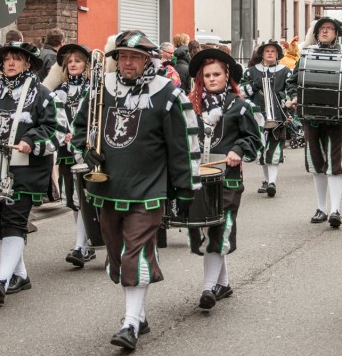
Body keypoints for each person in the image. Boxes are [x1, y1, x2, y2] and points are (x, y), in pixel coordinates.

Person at [72, 30, 199, 351]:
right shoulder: (102, 89)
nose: (128, 63)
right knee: (116, 257)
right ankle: (138, 315)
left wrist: (185, 191)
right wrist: (85, 152)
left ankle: (128, 323)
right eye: (123, 57)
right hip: (108, 188)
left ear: (148, 60)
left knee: (135, 253)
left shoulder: (167, 93)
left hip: (149, 189)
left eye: (135, 58)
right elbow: (79, 130)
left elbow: (182, 145)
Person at [0, 42, 67, 304]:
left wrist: (31, 141)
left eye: (16, 59)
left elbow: (56, 129)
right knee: (1, 221)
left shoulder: (43, 94)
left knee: (13, 220)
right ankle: (20, 275)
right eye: (7, 59)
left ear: (28, 63)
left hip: (27, 169)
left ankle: (1, 280)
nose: (10, 63)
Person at [188, 48, 261, 310]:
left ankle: (208, 288)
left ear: (226, 75)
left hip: (228, 180)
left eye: (216, 74)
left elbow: (254, 138)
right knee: (203, 229)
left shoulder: (240, 106)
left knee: (220, 227)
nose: (211, 78)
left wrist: (238, 150)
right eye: (207, 75)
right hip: (198, 178)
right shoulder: (190, 105)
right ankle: (224, 283)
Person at [287, 17, 342, 228]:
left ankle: (335, 210)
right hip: (311, 118)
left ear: (336, 33)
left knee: (335, 163)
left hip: (339, 118)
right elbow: (292, 82)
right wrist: (295, 96)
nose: (324, 31)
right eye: (322, 28)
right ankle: (321, 208)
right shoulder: (305, 55)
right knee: (316, 162)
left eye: (329, 29)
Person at [49, 43, 97, 268]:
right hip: (67, 151)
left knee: (88, 197)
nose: (74, 64)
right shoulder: (58, 91)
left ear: (85, 64)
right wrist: (64, 135)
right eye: (70, 62)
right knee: (75, 200)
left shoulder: (94, 89)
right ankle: (83, 244)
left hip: (89, 150)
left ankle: (84, 244)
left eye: (78, 60)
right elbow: (54, 120)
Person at [240, 40, 291, 197]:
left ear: (277, 54)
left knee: (274, 149)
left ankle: (272, 182)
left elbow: (291, 91)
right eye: (267, 51)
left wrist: (284, 100)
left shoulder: (286, 72)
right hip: (257, 116)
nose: (270, 53)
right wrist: (254, 86)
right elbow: (241, 91)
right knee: (262, 149)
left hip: (277, 116)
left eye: (273, 51)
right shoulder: (250, 72)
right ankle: (266, 179)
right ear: (262, 54)